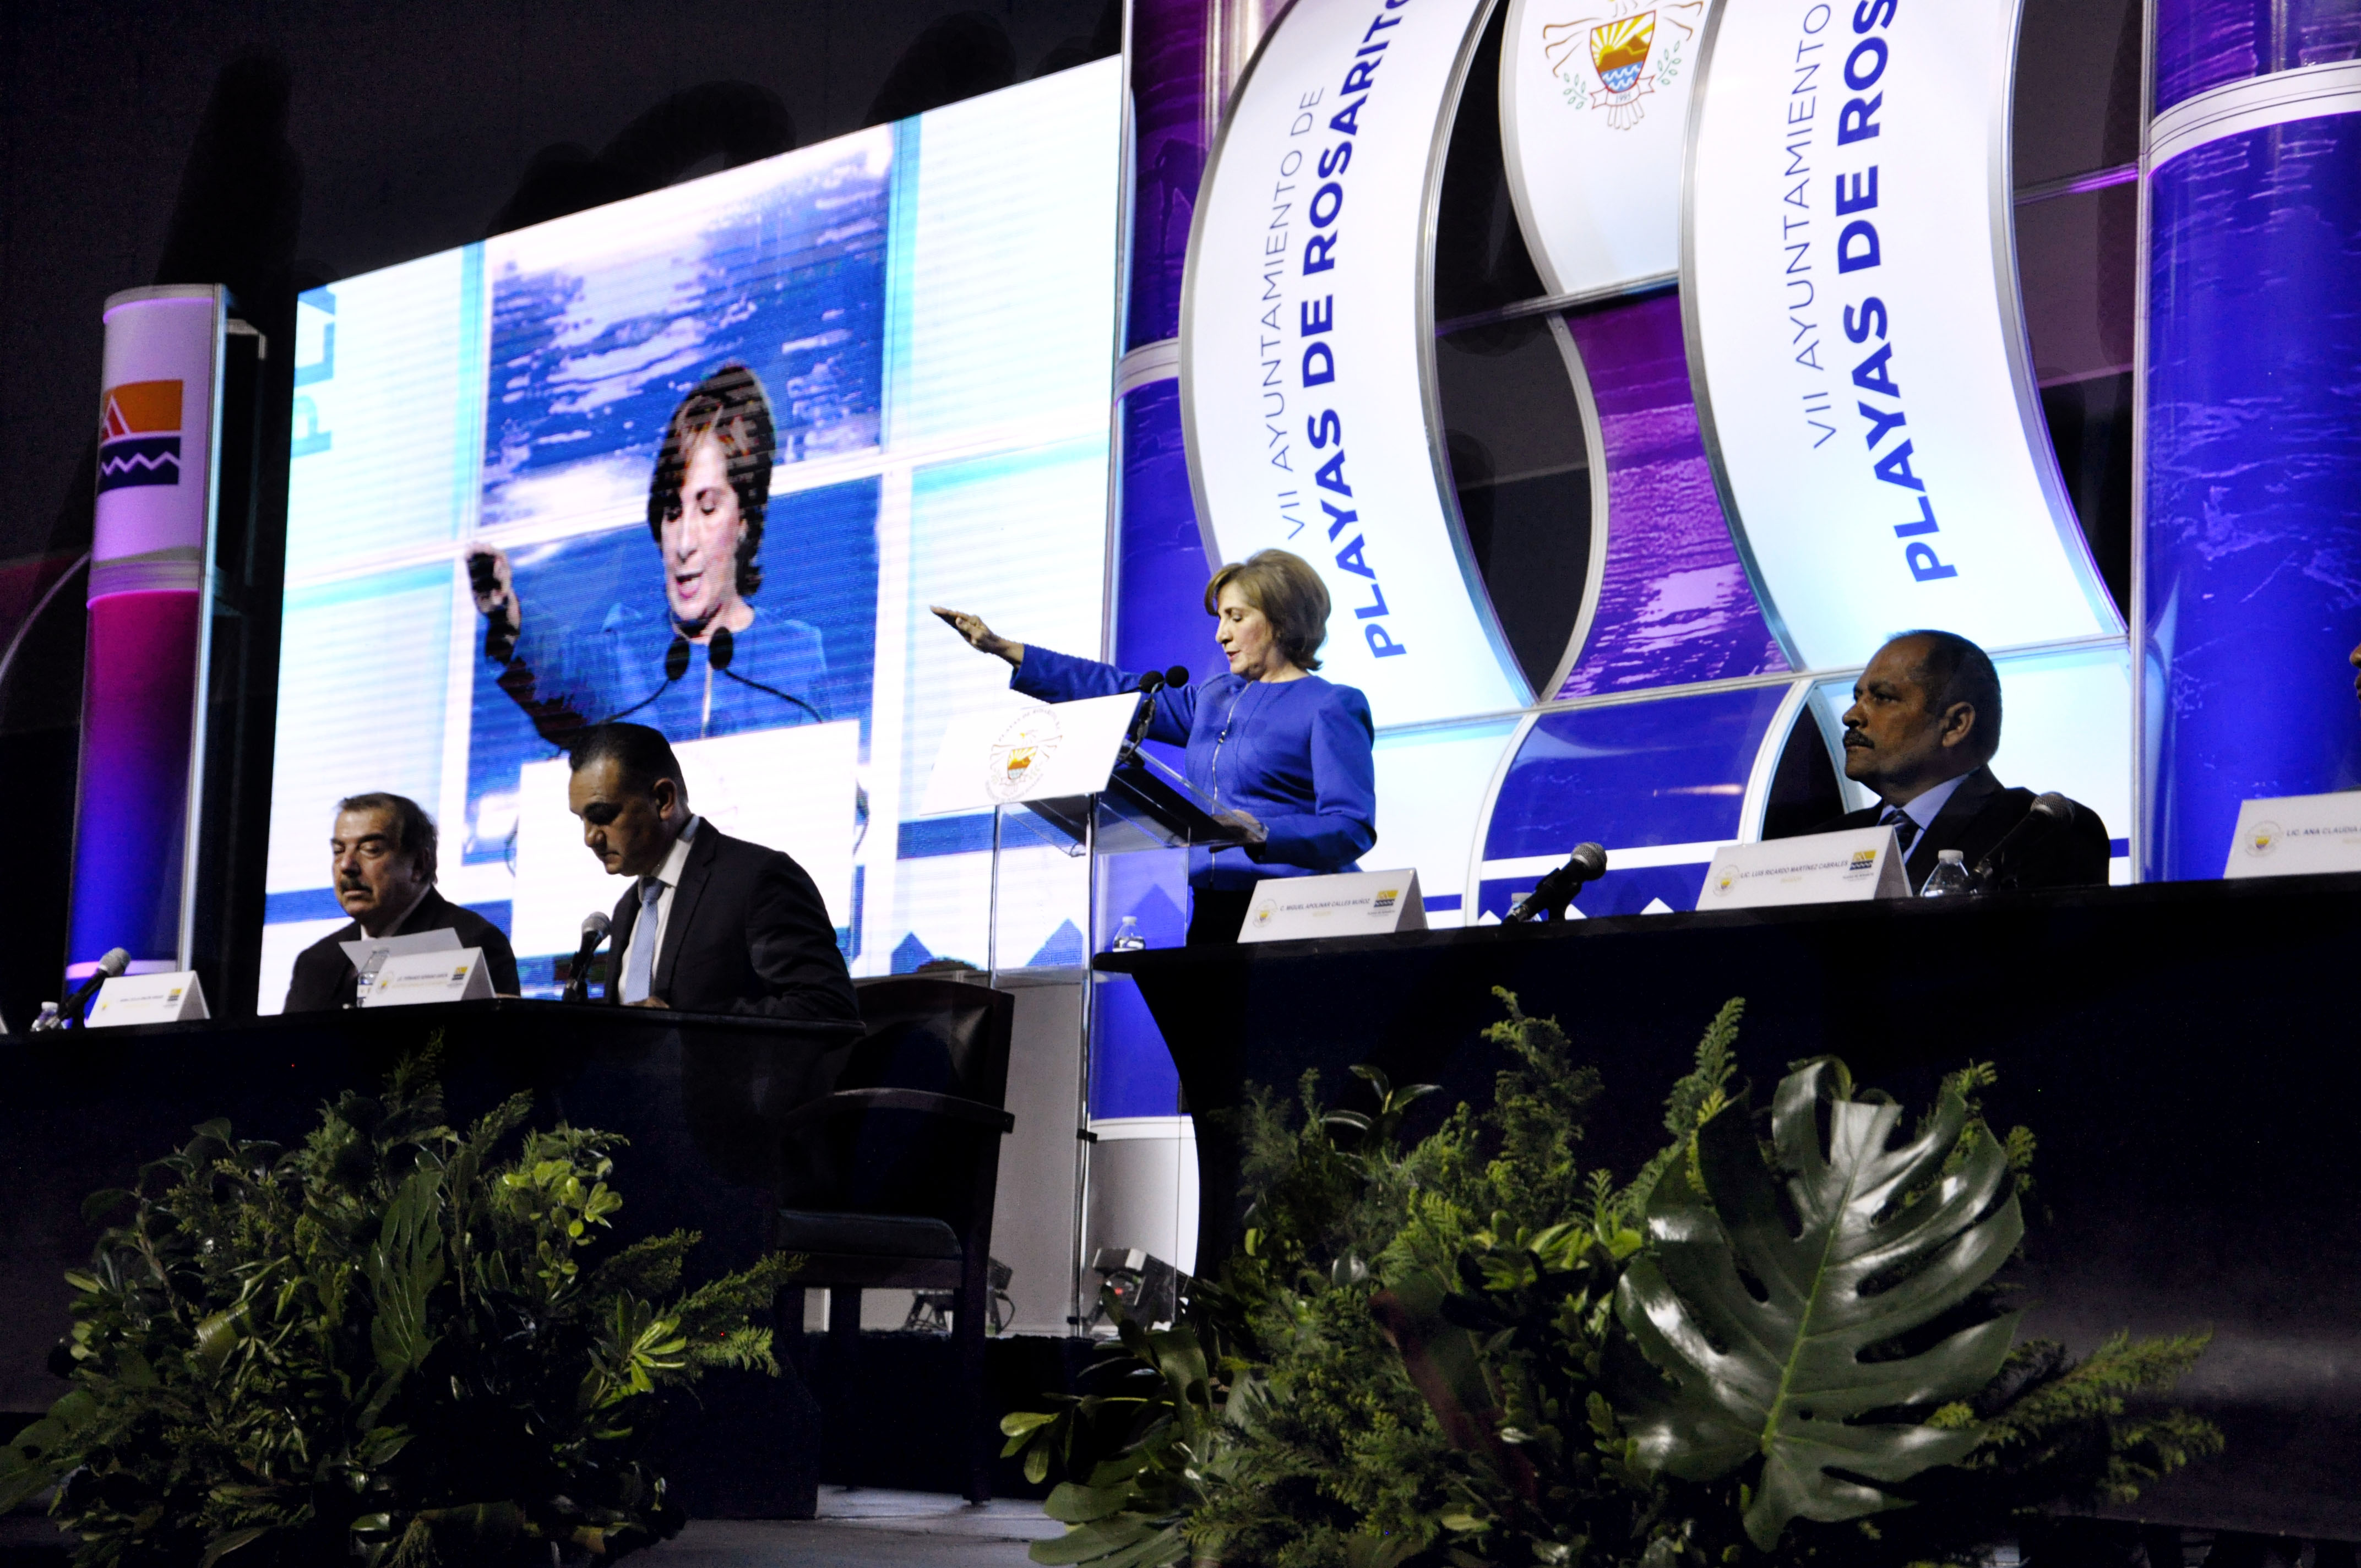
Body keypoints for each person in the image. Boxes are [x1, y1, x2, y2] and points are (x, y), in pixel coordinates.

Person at [933, 548, 1378, 944]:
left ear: (1281, 622)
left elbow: (1352, 827)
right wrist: (1005, 649)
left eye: (1236, 618)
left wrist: (1262, 831)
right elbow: (1116, 690)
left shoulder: (1330, 706)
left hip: (1297, 914)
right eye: (1220, 618)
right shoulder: (1214, 698)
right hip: (1212, 912)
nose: (1221, 635)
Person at [466, 363, 830, 747]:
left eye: (707, 510)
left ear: (744, 521)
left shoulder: (796, 655)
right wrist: (506, 616)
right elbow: (557, 674)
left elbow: (831, 786)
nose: (684, 542)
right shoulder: (624, 654)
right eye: (673, 513)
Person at [1777, 629, 2109, 892]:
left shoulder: (2036, 832)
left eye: (1882, 698)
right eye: (1857, 697)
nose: (1851, 716)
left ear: (1955, 725)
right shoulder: (1814, 847)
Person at [567, 721, 857, 1020]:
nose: (590, 838)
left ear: (663, 799)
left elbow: (827, 1007)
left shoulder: (756, 880)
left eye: (602, 815)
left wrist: (688, 1031)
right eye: (582, 820)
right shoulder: (628, 908)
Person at [284, 793, 521, 1010]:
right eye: (339, 850)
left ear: (419, 864)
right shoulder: (315, 962)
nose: (347, 866)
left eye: (370, 849)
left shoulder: (471, 943)